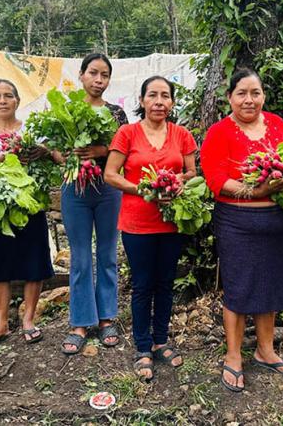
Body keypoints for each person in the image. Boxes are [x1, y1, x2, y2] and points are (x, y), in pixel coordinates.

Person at [200, 68, 283, 392]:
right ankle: (233, 355)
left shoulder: (277, 126)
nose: (249, 99)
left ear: (263, 96)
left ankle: (265, 350)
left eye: (255, 93)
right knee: (239, 287)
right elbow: (215, 178)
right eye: (242, 93)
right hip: (237, 222)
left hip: (275, 223)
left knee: (271, 285)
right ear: (230, 97)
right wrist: (252, 191)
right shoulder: (219, 132)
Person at [104, 76, 197, 381]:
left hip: (171, 222)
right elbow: (110, 174)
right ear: (142, 100)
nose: (159, 101)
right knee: (143, 285)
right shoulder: (127, 133)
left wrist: (178, 185)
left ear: (172, 103)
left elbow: (191, 172)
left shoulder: (182, 134)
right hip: (137, 222)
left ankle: (161, 340)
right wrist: (143, 189)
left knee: (166, 282)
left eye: (165, 96)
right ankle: (143, 347)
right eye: (153, 95)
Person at [0, 79, 54, 349]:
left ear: (17, 101)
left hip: (30, 203)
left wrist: (44, 151)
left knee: (34, 261)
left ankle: (29, 319)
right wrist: (4, 157)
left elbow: (52, 155)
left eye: (8, 96)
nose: (2, 100)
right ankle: (2, 323)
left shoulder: (30, 129)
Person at [60, 53, 129, 355]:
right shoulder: (66, 109)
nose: (98, 80)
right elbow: (56, 149)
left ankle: (106, 318)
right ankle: (80, 322)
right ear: (82, 75)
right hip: (75, 188)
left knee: (107, 253)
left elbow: (124, 148)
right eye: (93, 73)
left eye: (104, 75)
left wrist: (99, 149)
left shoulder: (116, 114)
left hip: (108, 188)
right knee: (80, 256)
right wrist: (65, 153)